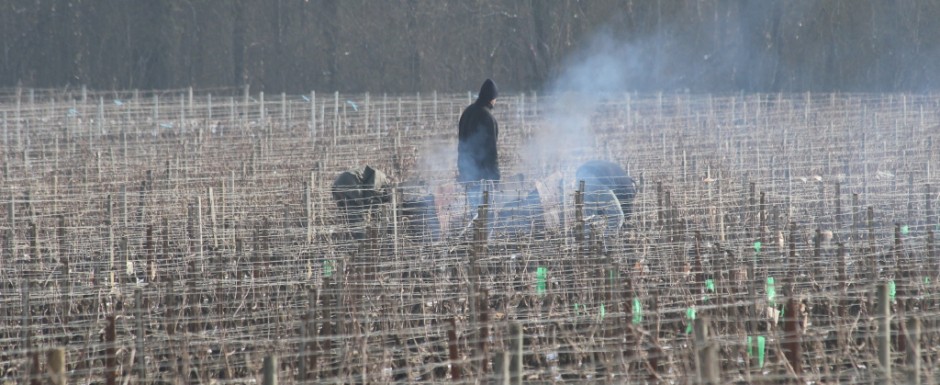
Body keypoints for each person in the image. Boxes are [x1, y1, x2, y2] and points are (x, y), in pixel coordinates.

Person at [458, 79, 500, 210]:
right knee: (484, 212)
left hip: (466, 168)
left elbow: (461, 140)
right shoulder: (487, 117)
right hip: (482, 174)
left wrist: (462, 168)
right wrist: (496, 176)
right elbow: (491, 150)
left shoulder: (467, 112)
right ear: (492, 99)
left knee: (473, 210)